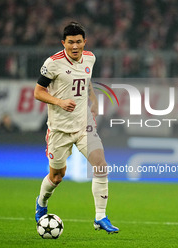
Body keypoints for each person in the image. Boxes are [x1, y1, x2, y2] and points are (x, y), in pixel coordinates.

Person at [33, 22, 119, 233]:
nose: (74, 46)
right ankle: (41, 202)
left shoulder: (90, 57)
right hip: (59, 129)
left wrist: (93, 98)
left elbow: (86, 79)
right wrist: (59, 102)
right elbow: (38, 91)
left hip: (84, 126)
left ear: (84, 42)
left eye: (78, 42)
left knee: (101, 166)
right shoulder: (52, 63)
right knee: (57, 177)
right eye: (70, 42)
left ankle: (100, 217)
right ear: (64, 43)